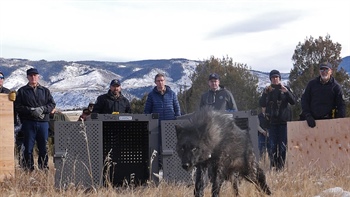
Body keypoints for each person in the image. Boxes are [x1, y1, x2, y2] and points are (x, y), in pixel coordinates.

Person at [14, 68, 56, 171]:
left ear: (38, 76)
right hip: (28, 123)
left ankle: (43, 169)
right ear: (27, 77)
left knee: (43, 148)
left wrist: (42, 109)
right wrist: (31, 110)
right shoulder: (22, 91)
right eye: (31, 75)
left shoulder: (45, 91)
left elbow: (52, 104)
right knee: (28, 148)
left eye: (35, 75)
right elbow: (17, 106)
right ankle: (28, 169)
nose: (33, 77)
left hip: (43, 123)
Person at [259, 69, 296, 171]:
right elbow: (262, 104)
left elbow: (293, 101)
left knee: (283, 146)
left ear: (279, 78)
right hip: (272, 123)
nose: (275, 79)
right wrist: (265, 94)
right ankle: (273, 166)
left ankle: (281, 167)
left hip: (284, 123)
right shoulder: (268, 90)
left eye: (277, 77)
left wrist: (286, 92)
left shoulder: (286, 88)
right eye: (273, 78)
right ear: (270, 79)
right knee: (272, 146)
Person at [301, 62, 346, 127]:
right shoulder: (311, 84)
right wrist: (308, 115)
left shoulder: (336, 87)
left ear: (331, 71)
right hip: (311, 121)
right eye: (322, 69)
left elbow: (341, 105)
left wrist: (339, 121)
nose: (324, 72)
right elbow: (304, 100)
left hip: (329, 122)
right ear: (319, 71)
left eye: (326, 69)